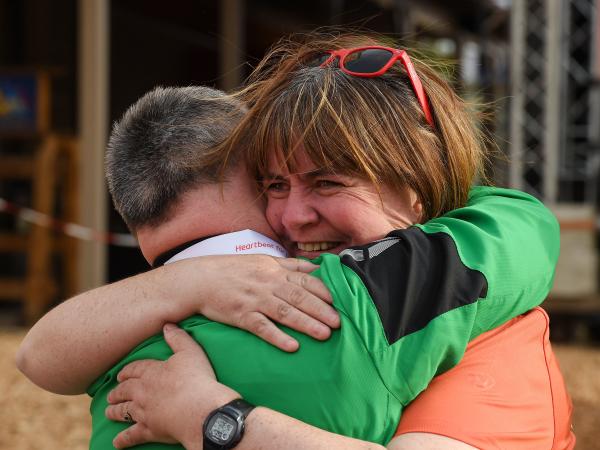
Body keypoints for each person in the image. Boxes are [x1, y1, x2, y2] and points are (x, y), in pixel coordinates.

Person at [17, 33, 573, 450]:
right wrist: (193, 280)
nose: (292, 216)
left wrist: (212, 417)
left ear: (418, 185)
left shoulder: (479, 318)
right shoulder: (225, 298)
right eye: (273, 185)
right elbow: (37, 356)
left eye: (328, 181)